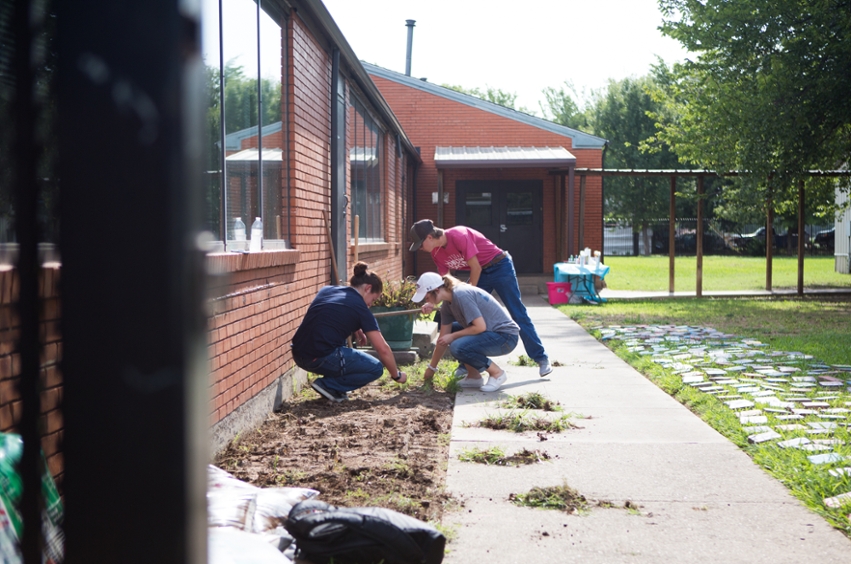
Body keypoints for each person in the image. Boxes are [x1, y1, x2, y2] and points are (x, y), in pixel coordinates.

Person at [409, 219, 553, 377]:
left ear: (430, 237)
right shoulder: (437, 253)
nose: (420, 249)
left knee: (517, 312)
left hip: (499, 266)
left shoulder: (458, 235)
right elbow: (444, 286)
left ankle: (541, 358)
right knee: (464, 313)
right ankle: (467, 364)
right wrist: (433, 303)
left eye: (420, 245)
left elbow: (475, 267)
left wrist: (468, 296)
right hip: (480, 272)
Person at [291, 262, 407, 402]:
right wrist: (397, 375)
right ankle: (328, 385)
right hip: (319, 358)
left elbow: (331, 313)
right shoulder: (361, 308)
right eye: (373, 300)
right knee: (375, 368)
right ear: (368, 288)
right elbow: (383, 349)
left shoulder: (327, 290)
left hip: (298, 354)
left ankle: (331, 386)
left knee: (338, 343)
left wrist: (357, 328)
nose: (370, 305)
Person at [413, 272, 518, 392]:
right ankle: (474, 377)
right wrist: (432, 368)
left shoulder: (461, 295)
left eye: (427, 297)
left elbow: (480, 327)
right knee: (451, 332)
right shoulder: (447, 304)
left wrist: (453, 336)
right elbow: (443, 339)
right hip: (492, 334)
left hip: (505, 337)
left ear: (436, 290)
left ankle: (497, 373)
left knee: (458, 346)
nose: (426, 300)